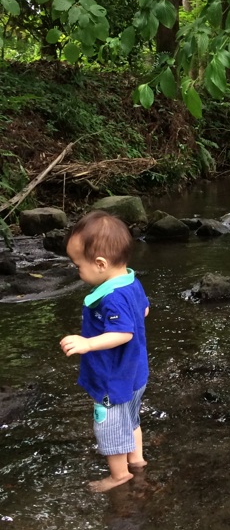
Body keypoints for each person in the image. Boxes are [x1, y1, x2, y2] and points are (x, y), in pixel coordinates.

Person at [60, 211, 150, 492]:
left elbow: (123, 333)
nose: (77, 270)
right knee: (131, 419)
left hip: (114, 378)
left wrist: (87, 344)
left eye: (78, 265)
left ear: (100, 264)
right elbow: (144, 309)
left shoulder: (112, 296)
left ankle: (119, 476)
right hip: (135, 372)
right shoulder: (130, 282)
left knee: (109, 427)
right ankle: (137, 461)